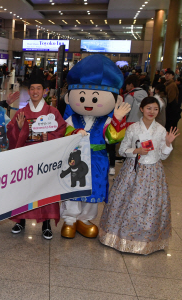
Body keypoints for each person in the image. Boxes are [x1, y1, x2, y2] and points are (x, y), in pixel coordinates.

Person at [61, 54, 131, 239]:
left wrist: (116, 120)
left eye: (95, 98)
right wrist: (74, 133)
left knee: (94, 189)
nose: (88, 103)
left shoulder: (107, 120)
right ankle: (69, 219)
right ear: (70, 98)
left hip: (97, 160)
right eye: (82, 97)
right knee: (72, 189)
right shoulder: (71, 118)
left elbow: (112, 138)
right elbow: (62, 133)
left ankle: (84, 219)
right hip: (74, 159)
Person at [99, 97, 179, 254]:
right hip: (133, 170)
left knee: (151, 205)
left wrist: (168, 143)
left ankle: (148, 241)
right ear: (141, 109)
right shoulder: (133, 128)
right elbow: (122, 150)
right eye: (149, 108)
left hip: (154, 172)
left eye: (155, 109)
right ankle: (119, 237)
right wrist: (136, 151)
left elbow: (162, 156)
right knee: (127, 202)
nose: (152, 112)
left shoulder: (161, 130)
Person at [6, 69, 66, 239]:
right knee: (24, 189)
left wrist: (50, 136)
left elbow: (61, 130)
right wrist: (17, 128)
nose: (34, 92)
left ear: (44, 91)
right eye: (32, 88)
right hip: (26, 158)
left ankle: (46, 223)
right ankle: (21, 220)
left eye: (38, 88)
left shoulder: (52, 112)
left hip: (45, 159)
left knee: (45, 189)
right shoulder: (21, 113)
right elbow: (11, 134)